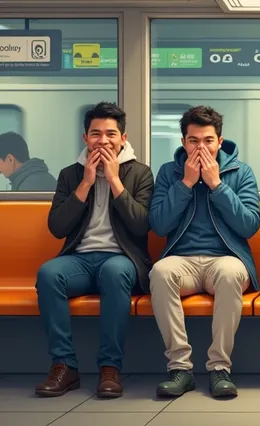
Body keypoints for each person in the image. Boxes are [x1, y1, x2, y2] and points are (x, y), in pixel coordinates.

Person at [35, 102, 153, 398]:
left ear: (123, 139)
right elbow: (57, 227)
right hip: (79, 260)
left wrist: (113, 180)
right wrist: (86, 183)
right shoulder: (70, 174)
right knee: (49, 273)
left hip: (121, 260)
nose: (103, 141)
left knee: (114, 272)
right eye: (96, 134)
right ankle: (64, 365)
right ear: (85, 138)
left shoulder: (140, 174)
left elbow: (141, 226)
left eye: (111, 134)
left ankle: (109, 367)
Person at [148, 106, 260, 398]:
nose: (201, 148)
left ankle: (219, 369)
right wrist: (185, 184)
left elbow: (249, 225)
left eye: (208, 140)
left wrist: (217, 185)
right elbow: (159, 225)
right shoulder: (169, 172)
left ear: (220, 142)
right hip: (181, 261)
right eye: (194, 140)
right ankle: (180, 369)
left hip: (225, 259)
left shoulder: (241, 171)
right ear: (184, 143)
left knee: (228, 273)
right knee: (160, 272)